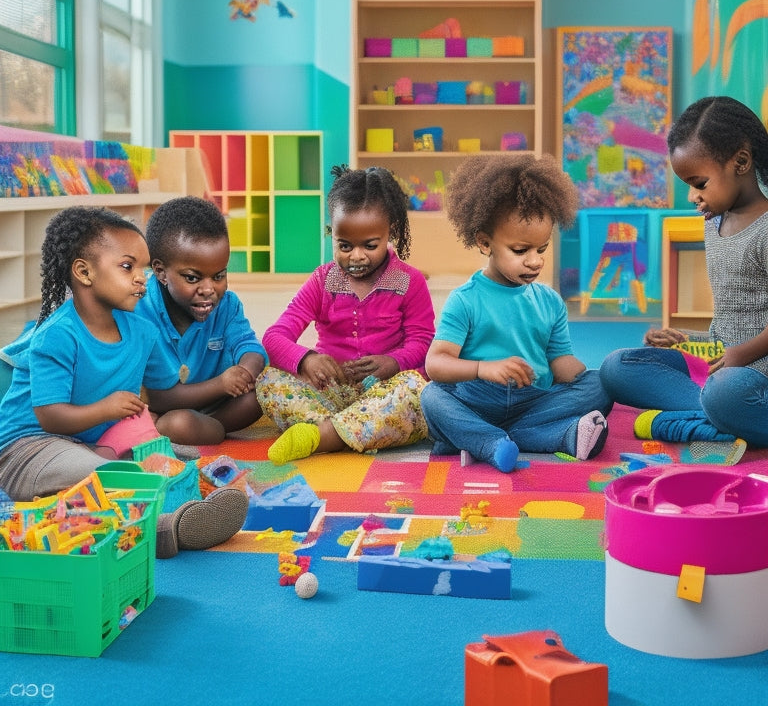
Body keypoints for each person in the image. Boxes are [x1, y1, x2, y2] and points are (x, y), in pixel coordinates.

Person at [0, 207, 248, 558]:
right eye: (128, 266)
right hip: (33, 447)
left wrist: (155, 440)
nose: (141, 279)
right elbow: (49, 417)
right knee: (109, 476)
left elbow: (164, 394)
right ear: (84, 272)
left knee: (161, 454)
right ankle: (168, 528)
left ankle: (174, 485)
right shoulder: (57, 335)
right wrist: (108, 408)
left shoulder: (141, 331)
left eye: (144, 269)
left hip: (94, 438)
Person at [420, 154, 613, 472]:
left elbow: (560, 361)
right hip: (477, 398)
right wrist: (484, 369)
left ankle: (494, 438)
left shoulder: (550, 301)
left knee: (601, 384)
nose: (535, 261)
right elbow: (436, 363)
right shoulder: (465, 300)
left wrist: (594, 379)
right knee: (432, 396)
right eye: (521, 251)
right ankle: (492, 442)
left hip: (535, 400)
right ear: (485, 243)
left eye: (542, 249)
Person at [599, 96, 768, 450]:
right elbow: (731, 322)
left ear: (740, 162)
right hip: (721, 361)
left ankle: (710, 417)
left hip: (754, 372)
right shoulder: (714, 223)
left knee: (725, 393)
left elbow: (741, 344)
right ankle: (717, 418)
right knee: (616, 367)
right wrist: (686, 337)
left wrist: (742, 355)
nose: (692, 195)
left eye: (700, 183)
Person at [254, 164, 435, 465]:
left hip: (386, 393)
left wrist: (393, 362)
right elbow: (274, 338)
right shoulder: (322, 280)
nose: (357, 256)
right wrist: (306, 358)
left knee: (420, 392)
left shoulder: (409, 282)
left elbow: (425, 342)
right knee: (268, 381)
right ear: (331, 234)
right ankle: (353, 431)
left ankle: (322, 436)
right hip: (330, 395)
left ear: (390, 232)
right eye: (344, 245)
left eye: (370, 245)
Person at [136, 196, 267, 445]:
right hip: (164, 407)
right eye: (193, 278)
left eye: (219, 275)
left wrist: (246, 371)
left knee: (262, 394)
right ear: (161, 272)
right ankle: (207, 430)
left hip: (215, 405)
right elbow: (158, 397)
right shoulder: (140, 309)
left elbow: (249, 346)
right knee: (178, 423)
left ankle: (209, 428)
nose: (209, 289)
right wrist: (221, 384)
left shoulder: (227, 305)